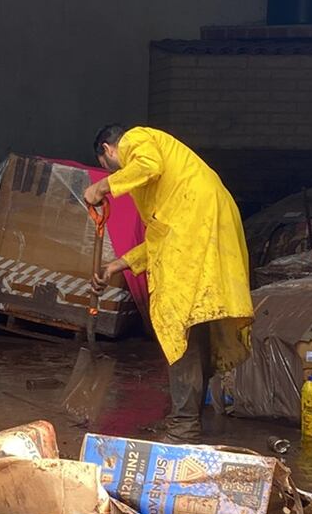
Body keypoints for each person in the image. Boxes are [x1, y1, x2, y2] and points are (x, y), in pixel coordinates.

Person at [83, 125, 254, 442]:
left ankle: (183, 426)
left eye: (107, 165)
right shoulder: (163, 186)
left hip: (196, 230)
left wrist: (102, 187)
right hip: (198, 230)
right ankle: (187, 420)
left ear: (108, 149)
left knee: (176, 323)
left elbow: (146, 166)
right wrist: (117, 265)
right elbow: (161, 237)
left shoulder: (136, 140)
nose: (112, 170)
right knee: (194, 322)